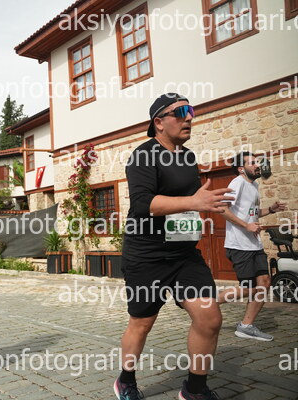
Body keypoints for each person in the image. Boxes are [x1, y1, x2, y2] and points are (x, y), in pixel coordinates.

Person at [115, 94, 234, 400]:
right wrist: (194, 201)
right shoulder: (143, 156)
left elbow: (197, 201)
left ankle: (194, 390)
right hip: (146, 255)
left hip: (183, 254)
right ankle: (125, 380)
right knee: (142, 323)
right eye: (181, 112)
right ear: (159, 122)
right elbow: (144, 204)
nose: (189, 117)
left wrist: (217, 210)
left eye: (191, 110)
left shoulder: (187, 158)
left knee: (210, 317)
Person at [217, 152, 286, 341]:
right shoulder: (237, 183)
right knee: (250, 288)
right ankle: (210, 302)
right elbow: (222, 208)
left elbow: (252, 213)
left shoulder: (254, 185)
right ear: (241, 168)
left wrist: (270, 210)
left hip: (254, 244)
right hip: (239, 245)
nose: (258, 165)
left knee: (264, 284)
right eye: (253, 163)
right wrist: (246, 226)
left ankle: (246, 326)